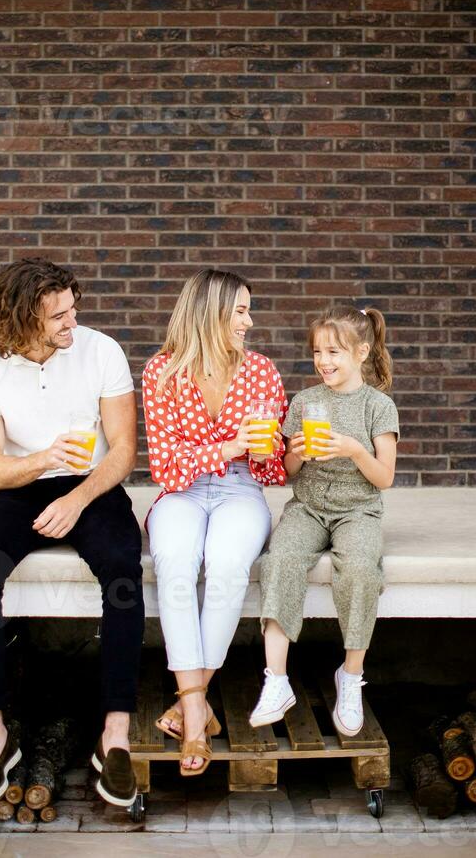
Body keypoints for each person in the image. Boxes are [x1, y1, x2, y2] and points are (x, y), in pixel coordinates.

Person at [0, 258, 144, 810]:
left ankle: (114, 734)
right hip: (19, 486)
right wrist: (44, 461)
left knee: (122, 571)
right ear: (21, 319)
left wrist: (78, 495)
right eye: (57, 316)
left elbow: (125, 451)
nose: (72, 321)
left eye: (73, 309)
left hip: (92, 487)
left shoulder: (100, 349)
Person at [141, 269, 288, 777]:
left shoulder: (262, 371)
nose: (250, 321)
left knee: (226, 564)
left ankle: (191, 710)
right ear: (211, 313)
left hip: (241, 487)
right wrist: (228, 446)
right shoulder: (161, 372)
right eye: (241, 311)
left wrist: (272, 450)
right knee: (176, 562)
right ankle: (201, 714)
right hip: (180, 492)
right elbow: (165, 466)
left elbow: (269, 468)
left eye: (249, 310)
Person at [250, 305, 398, 737]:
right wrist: (294, 451)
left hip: (358, 509)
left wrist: (354, 449)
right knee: (279, 561)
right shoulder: (305, 401)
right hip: (308, 506)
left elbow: (384, 478)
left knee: (358, 570)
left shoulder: (378, 406)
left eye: (333, 351)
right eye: (317, 352)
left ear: (362, 351)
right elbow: (289, 472)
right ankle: (276, 681)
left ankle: (351, 675)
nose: (324, 361)